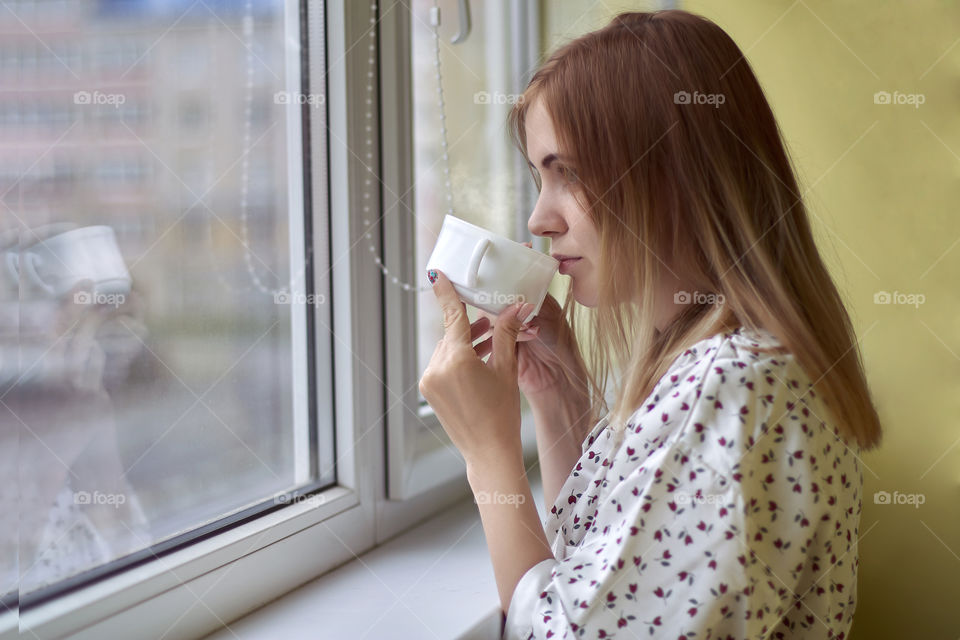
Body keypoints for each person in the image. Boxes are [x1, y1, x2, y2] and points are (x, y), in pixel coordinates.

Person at [419, 9, 882, 639]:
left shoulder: (730, 387)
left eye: (570, 173)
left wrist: (488, 453)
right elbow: (592, 580)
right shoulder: (710, 364)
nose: (538, 220)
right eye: (539, 178)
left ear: (672, 176)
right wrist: (557, 399)